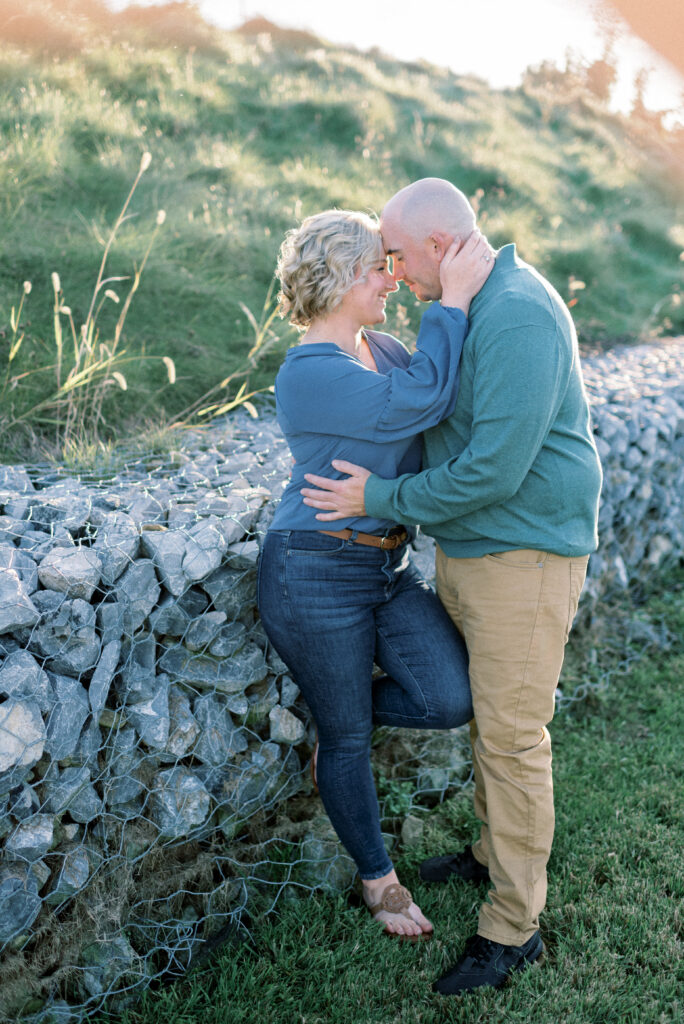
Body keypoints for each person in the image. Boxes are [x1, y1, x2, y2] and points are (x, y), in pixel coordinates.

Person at [300, 179, 603, 993]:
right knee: (491, 723)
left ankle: (513, 930)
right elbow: (429, 401)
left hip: (526, 555)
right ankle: (488, 854)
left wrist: (380, 499)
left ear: (439, 247)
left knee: (511, 738)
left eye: (397, 254)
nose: (392, 271)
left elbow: (494, 471)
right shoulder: (477, 302)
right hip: (476, 552)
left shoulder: (519, 315)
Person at [257, 208, 494, 940]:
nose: (389, 279)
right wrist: (450, 303)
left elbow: (437, 400)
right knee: (352, 737)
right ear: (335, 280)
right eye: (375, 268)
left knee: (451, 697)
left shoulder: (383, 348)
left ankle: (340, 728)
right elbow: (422, 397)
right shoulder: (308, 372)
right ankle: (378, 880)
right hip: (313, 570)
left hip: (385, 566)